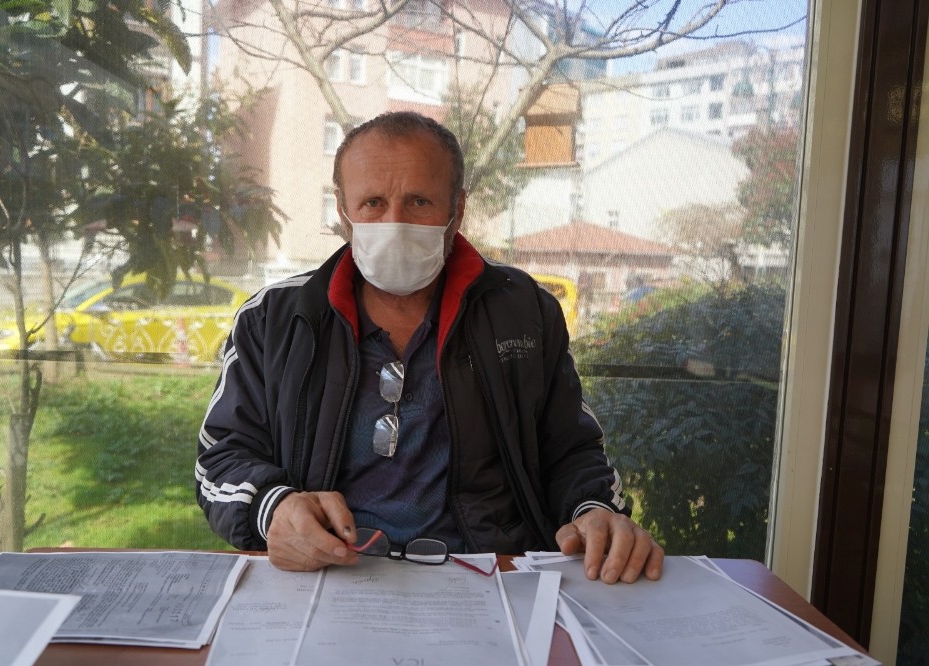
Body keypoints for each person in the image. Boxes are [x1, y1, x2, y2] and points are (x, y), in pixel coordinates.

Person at [195, 111, 664, 584]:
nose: (394, 223)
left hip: (491, 576)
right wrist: (273, 508)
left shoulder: (523, 311)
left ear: (457, 209)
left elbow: (570, 448)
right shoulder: (272, 320)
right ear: (342, 210)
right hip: (328, 573)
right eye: (372, 203)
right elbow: (220, 458)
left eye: (419, 201)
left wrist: (594, 511)